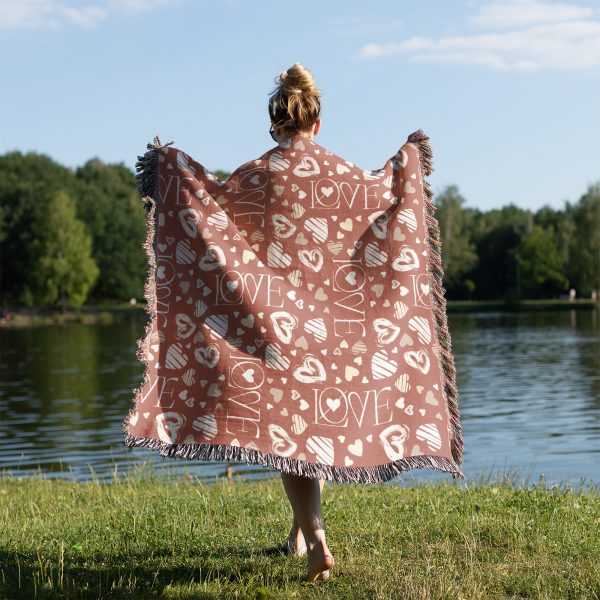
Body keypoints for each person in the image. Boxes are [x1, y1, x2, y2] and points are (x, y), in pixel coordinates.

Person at [268, 62, 333, 583]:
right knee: (310, 429)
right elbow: (383, 202)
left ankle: (316, 541)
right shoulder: (340, 174)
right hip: (330, 323)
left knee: (288, 436)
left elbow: (212, 214)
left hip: (276, 323)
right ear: (317, 123)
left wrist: (171, 170)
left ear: (275, 125)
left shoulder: (257, 174)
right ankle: (296, 535)